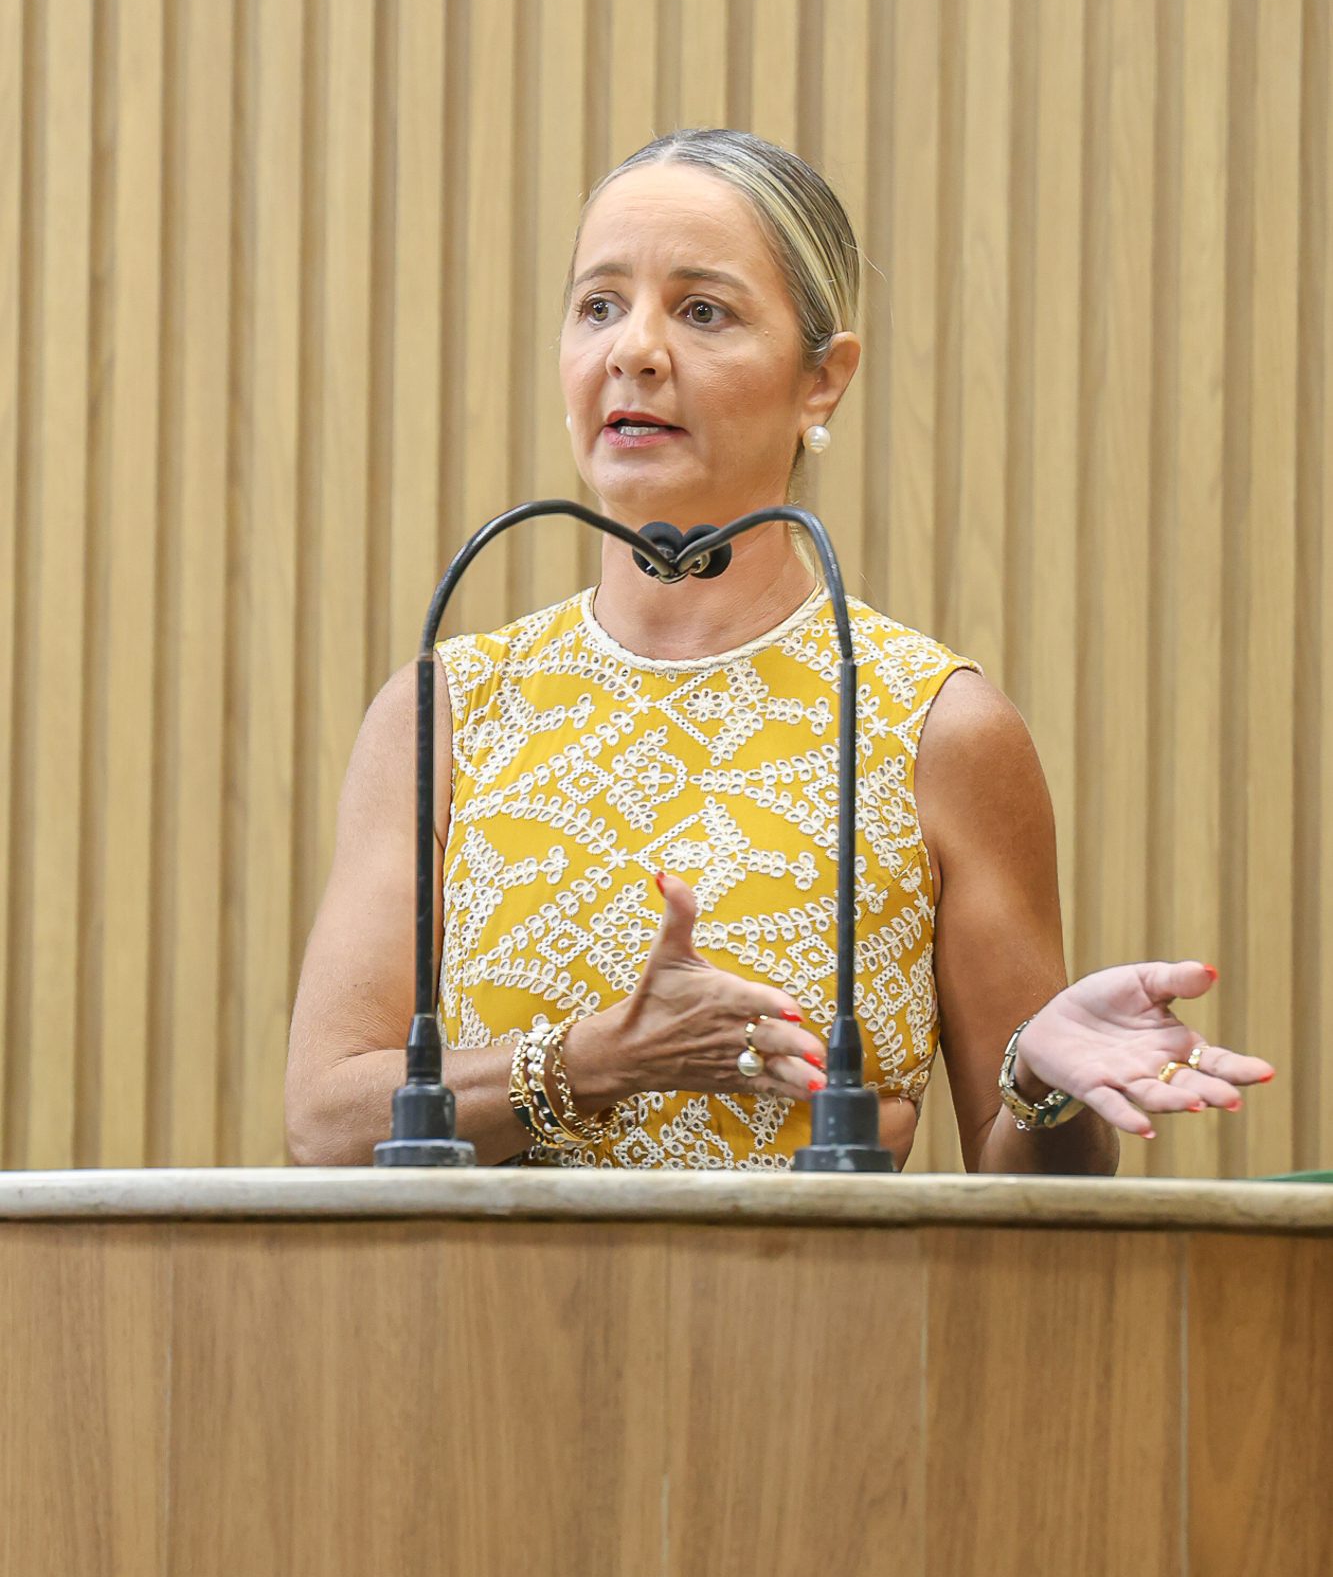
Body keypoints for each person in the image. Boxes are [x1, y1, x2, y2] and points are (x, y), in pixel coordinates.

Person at [285, 128, 1271, 1171]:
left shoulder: (934, 724)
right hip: (469, 1289)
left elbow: (1029, 1199)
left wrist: (1040, 1088)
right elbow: (324, 1123)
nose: (632, 351)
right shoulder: (452, 707)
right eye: (599, 305)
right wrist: (593, 1061)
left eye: (701, 311)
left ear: (821, 380)